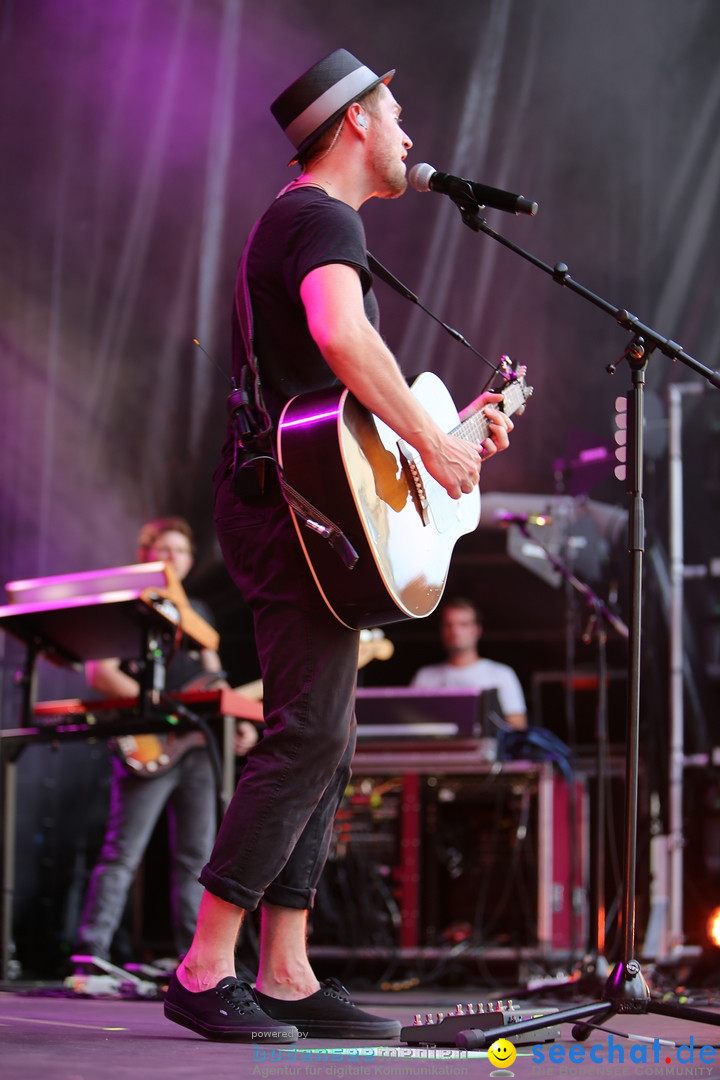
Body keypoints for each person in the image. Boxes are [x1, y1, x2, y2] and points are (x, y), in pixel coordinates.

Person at [163, 48, 514, 1043]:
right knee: (309, 732)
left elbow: (349, 414)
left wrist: (457, 431)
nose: (409, 136)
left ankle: (284, 970)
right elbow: (342, 341)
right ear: (354, 122)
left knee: (330, 734)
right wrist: (434, 440)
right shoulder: (323, 217)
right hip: (286, 511)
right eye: (396, 115)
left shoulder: (309, 221)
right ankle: (203, 966)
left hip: (303, 504)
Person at [74, 516, 258, 966]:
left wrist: (240, 721)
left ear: (191, 560)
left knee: (199, 857)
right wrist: (159, 709)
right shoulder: (129, 604)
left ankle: (196, 960)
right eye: (163, 550)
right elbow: (100, 672)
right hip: (148, 740)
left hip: (195, 746)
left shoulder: (198, 612)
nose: (172, 558)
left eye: (180, 551)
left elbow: (215, 681)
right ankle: (90, 952)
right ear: (145, 556)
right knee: (123, 851)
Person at [411, 597, 528, 730]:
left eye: (464, 624)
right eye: (448, 625)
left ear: (477, 629)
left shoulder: (501, 674)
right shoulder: (425, 676)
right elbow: (410, 726)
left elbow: (518, 728)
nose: (455, 631)